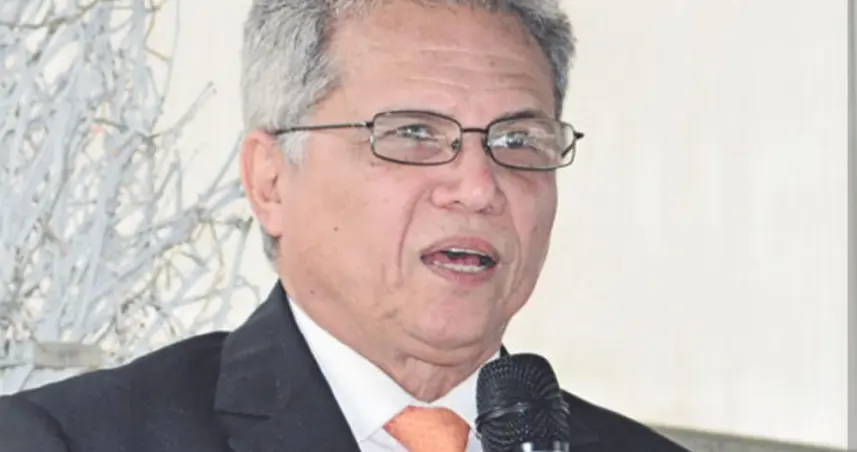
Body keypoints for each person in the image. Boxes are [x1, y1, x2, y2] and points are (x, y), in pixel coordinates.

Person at [0, 1, 689, 451]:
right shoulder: (72, 439)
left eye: (516, 140)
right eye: (413, 133)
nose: (479, 188)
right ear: (270, 181)